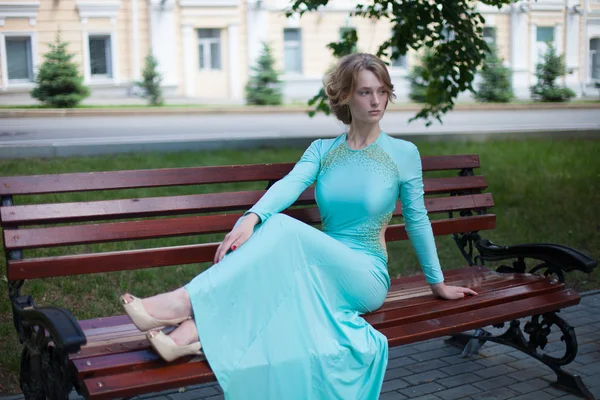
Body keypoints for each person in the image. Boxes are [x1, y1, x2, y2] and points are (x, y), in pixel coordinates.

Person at [120, 52, 477, 399]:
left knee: (280, 227)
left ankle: (182, 301)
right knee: (267, 266)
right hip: (317, 270)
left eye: (382, 91)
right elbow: (290, 185)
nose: (376, 101)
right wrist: (252, 216)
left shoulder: (403, 154)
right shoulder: (322, 150)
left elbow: (417, 219)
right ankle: (184, 337)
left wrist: (438, 283)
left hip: (364, 275)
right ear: (345, 96)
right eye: (366, 92)